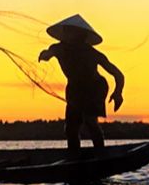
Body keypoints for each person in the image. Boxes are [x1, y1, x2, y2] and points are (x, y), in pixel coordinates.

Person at [37, 13, 125, 151]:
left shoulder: (92, 53)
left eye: (71, 32)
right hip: (74, 88)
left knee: (90, 121)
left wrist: (118, 93)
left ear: (81, 36)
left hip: (95, 88)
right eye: (66, 31)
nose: (68, 35)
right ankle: (74, 155)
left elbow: (118, 74)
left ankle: (100, 153)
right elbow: (49, 53)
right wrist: (45, 54)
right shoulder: (58, 48)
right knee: (71, 127)